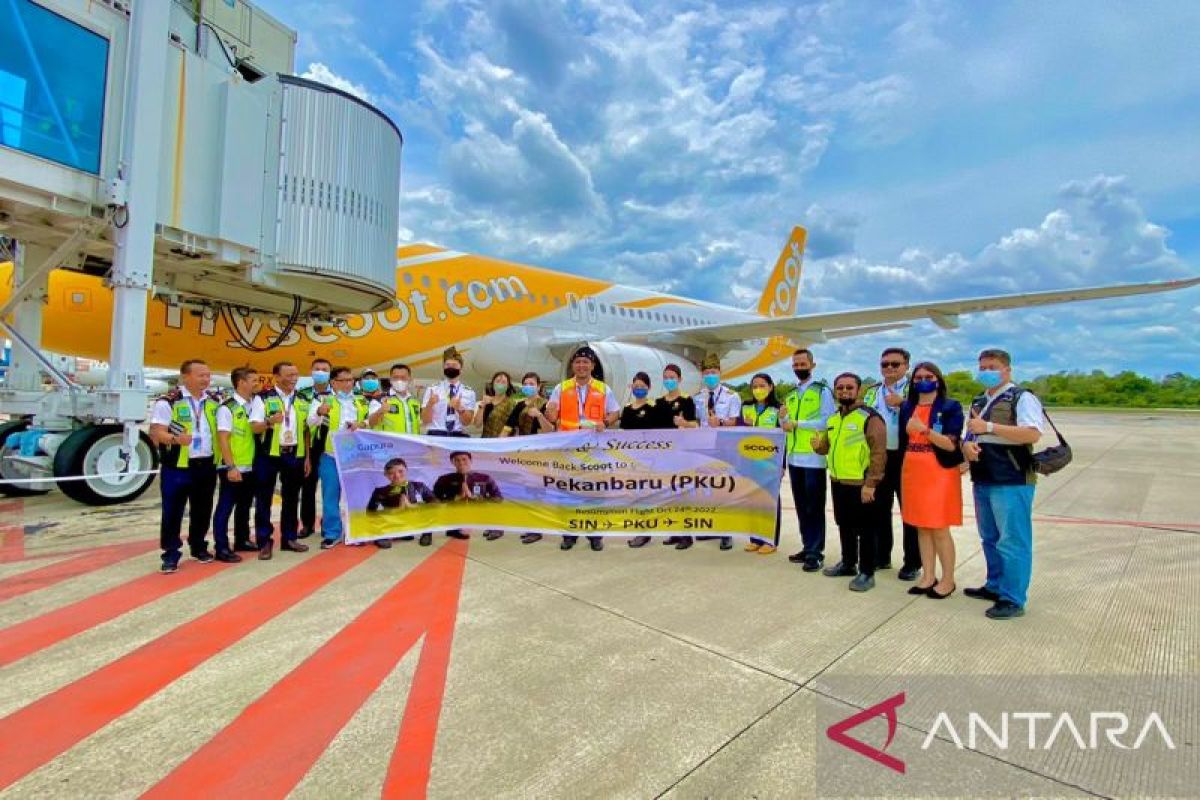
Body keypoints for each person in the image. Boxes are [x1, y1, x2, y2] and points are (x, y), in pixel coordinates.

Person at [962, 348, 1045, 620]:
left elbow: (1032, 434)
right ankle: (995, 585)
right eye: (982, 367)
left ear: (1007, 370)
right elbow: (969, 434)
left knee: (1013, 540)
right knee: (991, 538)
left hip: (1011, 478)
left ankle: (1013, 598)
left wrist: (989, 428)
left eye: (992, 367)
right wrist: (968, 448)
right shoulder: (979, 399)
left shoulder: (1022, 397)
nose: (986, 372)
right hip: (984, 476)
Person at [812, 373, 887, 591]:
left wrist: (871, 483)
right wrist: (818, 446)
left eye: (849, 387)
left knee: (866, 530)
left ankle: (867, 571)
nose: (844, 391)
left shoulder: (869, 418)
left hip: (861, 483)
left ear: (858, 390)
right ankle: (848, 563)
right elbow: (827, 448)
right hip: (838, 481)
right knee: (844, 524)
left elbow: (878, 453)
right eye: (840, 388)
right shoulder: (834, 418)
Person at [899, 362, 965, 599]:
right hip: (913, 470)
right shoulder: (908, 406)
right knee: (921, 527)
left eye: (928, 376)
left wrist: (924, 430)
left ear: (938, 379)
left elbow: (950, 443)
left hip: (938, 472)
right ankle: (928, 576)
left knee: (938, 527)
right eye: (918, 377)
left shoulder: (950, 407)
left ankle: (948, 579)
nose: (923, 380)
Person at [545, 345, 620, 551]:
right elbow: (552, 414)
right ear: (573, 366)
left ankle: (594, 534)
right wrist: (550, 412)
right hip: (568, 447)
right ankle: (570, 533)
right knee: (568, 491)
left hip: (594, 449)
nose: (581, 365)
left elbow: (615, 412)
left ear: (592, 365)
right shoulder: (561, 388)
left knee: (594, 491)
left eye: (585, 362)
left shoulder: (604, 389)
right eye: (577, 362)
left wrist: (606, 421)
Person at [150, 359, 222, 573]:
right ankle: (171, 553)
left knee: (202, 509)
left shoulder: (214, 401)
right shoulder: (169, 402)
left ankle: (199, 546)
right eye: (201, 375)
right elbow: (156, 433)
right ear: (185, 377)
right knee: (173, 512)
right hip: (178, 466)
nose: (206, 379)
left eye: (208, 375)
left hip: (206, 464)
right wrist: (174, 439)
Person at [309, 367, 391, 549]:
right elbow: (310, 422)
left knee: (358, 496)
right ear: (333, 382)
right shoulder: (322, 399)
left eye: (350, 380)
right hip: (331, 455)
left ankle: (358, 531)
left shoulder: (363, 400)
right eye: (343, 380)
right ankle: (332, 533)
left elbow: (373, 421)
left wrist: (361, 423)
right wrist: (319, 412)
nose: (348, 384)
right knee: (330, 496)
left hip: (356, 457)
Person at [862, 347, 921, 580]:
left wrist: (904, 404)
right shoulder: (872, 391)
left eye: (895, 364)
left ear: (906, 365)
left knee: (909, 511)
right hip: (879, 457)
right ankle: (881, 556)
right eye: (884, 364)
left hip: (906, 457)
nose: (889, 368)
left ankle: (912, 562)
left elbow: (927, 415)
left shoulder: (914, 389)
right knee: (878, 510)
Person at [779, 349, 835, 571]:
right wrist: (784, 419)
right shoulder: (791, 394)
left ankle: (816, 552)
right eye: (795, 364)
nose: (799, 367)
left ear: (812, 365)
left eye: (803, 363)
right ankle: (807, 546)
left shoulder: (822, 391)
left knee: (814, 506)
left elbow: (827, 421)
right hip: (795, 458)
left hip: (813, 458)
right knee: (802, 506)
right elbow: (787, 423)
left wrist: (797, 424)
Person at [253, 361, 311, 558]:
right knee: (264, 498)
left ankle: (289, 538)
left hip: (294, 453)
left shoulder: (302, 399)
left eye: (296, 374)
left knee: (292, 498)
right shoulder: (262, 398)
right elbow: (254, 427)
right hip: (269, 454)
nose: (294, 378)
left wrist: (307, 458)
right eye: (289, 375)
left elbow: (306, 429)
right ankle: (264, 541)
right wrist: (269, 422)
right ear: (277, 377)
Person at [212, 365, 267, 562]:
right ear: (241, 382)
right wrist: (231, 467)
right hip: (233, 467)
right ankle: (221, 547)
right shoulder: (228, 408)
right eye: (254, 380)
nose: (257, 384)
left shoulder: (255, 404)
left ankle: (242, 539)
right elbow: (223, 439)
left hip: (250, 465)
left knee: (244, 506)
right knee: (225, 508)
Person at [693, 352, 740, 551]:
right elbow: (695, 421)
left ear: (720, 373)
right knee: (707, 488)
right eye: (706, 373)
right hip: (704, 447)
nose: (709, 376)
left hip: (724, 446)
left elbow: (736, 422)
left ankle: (726, 532)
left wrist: (719, 421)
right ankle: (711, 526)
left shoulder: (731, 396)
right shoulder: (698, 397)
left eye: (713, 372)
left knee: (724, 489)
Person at [503, 372, 553, 544]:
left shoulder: (546, 404)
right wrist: (496, 446)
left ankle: (537, 528)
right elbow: (508, 427)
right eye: (525, 383)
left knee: (537, 491)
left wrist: (539, 415)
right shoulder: (519, 405)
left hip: (540, 454)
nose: (528, 386)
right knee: (527, 491)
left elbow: (551, 430)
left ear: (539, 386)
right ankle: (530, 526)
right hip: (523, 453)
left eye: (531, 383)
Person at [741, 372, 784, 554]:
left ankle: (770, 540)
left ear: (771, 387)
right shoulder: (746, 407)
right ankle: (755, 538)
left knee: (770, 500)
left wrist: (782, 464)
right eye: (754, 386)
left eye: (762, 386)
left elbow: (784, 438)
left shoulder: (777, 409)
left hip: (770, 462)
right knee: (752, 498)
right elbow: (736, 432)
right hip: (748, 460)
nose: (758, 390)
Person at [473, 371, 515, 540]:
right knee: (485, 487)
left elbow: (512, 427)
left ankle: (499, 525)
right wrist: (482, 405)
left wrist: (501, 445)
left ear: (508, 385)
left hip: (501, 450)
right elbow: (476, 425)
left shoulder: (511, 404)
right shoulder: (487, 403)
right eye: (497, 379)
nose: (500, 382)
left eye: (504, 380)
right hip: (485, 447)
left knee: (498, 487)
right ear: (492, 382)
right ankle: (490, 522)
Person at [620, 372, 659, 548]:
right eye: (636, 386)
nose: (639, 389)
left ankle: (646, 531)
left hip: (651, 460)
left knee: (649, 495)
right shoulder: (627, 409)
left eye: (643, 386)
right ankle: (641, 530)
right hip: (633, 460)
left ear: (649, 388)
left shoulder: (655, 407)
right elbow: (622, 435)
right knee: (636, 495)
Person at [431, 451, 503, 545]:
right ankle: (453, 529)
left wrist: (475, 497)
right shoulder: (444, 479)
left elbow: (499, 498)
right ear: (453, 462)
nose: (461, 462)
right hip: (454, 514)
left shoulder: (485, 478)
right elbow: (434, 499)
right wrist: (454, 498)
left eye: (464, 459)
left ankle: (495, 528)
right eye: (457, 460)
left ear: (471, 460)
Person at [298, 358, 333, 540]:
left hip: (333, 444)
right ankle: (307, 524)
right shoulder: (302, 395)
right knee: (308, 486)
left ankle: (329, 524)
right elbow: (302, 423)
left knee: (331, 488)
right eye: (317, 369)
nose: (320, 372)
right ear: (311, 371)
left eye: (324, 369)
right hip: (310, 444)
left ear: (330, 372)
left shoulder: (337, 394)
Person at [422, 346, 477, 436]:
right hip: (436, 434)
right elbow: (425, 420)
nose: (451, 368)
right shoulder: (432, 389)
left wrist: (460, 408)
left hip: (457, 435)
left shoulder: (469, 392)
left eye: (454, 365)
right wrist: (429, 404)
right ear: (443, 367)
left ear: (461, 369)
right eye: (448, 365)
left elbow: (467, 422)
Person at [369, 363, 422, 435]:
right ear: (390, 379)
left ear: (410, 379)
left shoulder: (415, 402)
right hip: (389, 445)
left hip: (412, 444)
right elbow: (370, 423)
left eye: (403, 378)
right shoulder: (379, 400)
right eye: (396, 377)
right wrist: (380, 412)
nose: (399, 381)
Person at [366, 458, 435, 510]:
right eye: (391, 473)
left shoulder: (420, 486)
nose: (397, 476)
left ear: (406, 470)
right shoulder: (379, 492)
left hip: (419, 527)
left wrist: (411, 506)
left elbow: (436, 504)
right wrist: (398, 510)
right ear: (385, 475)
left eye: (400, 471)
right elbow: (371, 514)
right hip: (394, 527)